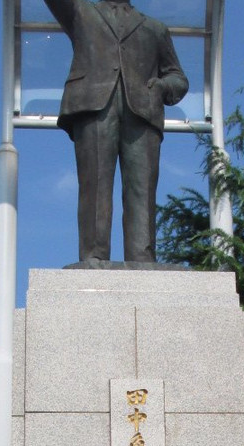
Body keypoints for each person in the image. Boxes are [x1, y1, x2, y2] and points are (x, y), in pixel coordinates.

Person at [43, 0, 188, 265]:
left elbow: (178, 78)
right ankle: (93, 256)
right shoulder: (82, 12)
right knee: (94, 184)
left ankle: (142, 258)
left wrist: (161, 87)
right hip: (94, 105)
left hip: (142, 112)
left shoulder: (155, 29)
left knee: (142, 189)